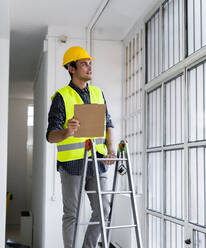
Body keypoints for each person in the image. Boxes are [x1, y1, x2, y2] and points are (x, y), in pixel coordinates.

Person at [46, 46, 115, 248]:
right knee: (72, 214)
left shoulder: (98, 93)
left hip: (98, 163)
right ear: (71, 68)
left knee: (103, 210)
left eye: (90, 63)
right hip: (72, 166)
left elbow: (108, 124)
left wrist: (110, 149)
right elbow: (50, 136)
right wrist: (67, 131)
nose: (89, 67)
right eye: (84, 64)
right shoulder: (61, 96)